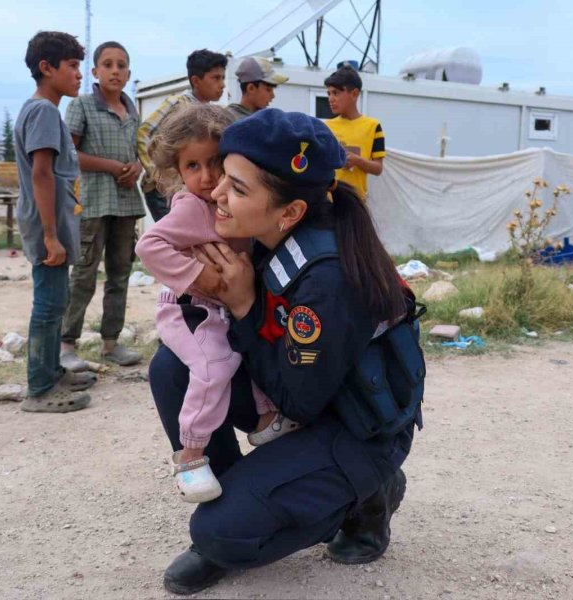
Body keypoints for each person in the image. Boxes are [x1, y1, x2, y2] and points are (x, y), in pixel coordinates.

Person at [148, 108, 424, 594]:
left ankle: (367, 499)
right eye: (218, 177)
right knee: (172, 366)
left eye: (235, 187)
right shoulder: (263, 235)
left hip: (352, 425)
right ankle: (241, 499)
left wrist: (243, 303)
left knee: (217, 534)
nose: (214, 193)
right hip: (305, 391)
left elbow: (299, 401)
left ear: (290, 211)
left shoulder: (326, 277)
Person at [135, 104, 299, 503]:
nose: (207, 177)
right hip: (191, 307)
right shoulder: (192, 207)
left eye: (216, 164)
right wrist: (201, 276)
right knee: (214, 365)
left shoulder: (236, 201)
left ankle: (265, 418)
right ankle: (191, 455)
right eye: (193, 167)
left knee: (244, 350)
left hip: (223, 307)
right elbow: (149, 245)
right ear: (177, 170)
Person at [14, 31, 97, 413]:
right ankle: (40, 388)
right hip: (47, 224)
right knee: (48, 305)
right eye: (73, 66)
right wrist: (50, 235)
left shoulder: (45, 111)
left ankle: (51, 370)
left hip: (55, 221)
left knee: (56, 299)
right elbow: (42, 174)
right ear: (47, 68)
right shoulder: (44, 111)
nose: (79, 74)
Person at [59, 41, 144, 370]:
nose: (115, 70)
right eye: (107, 64)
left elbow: (138, 152)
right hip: (93, 202)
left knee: (120, 274)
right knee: (83, 274)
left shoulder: (131, 109)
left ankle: (111, 342)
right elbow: (70, 154)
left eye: (121, 65)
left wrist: (136, 166)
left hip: (125, 203)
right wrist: (111, 166)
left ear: (128, 73)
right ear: (95, 72)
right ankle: (67, 343)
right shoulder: (81, 106)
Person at [137, 49, 228, 222]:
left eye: (223, 77)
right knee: (177, 235)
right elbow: (143, 132)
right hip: (163, 190)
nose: (222, 84)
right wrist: (156, 174)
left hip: (191, 184)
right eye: (216, 78)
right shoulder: (177, 103)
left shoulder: (211, 113)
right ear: (196, 80)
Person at [323, 66, 386, 201]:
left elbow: (378, 168)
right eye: (329, 94)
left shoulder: (373, 126)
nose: (330, 98)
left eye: (336, 93)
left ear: (354, 94)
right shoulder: (326, 126)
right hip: (328, 201)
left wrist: (357, 160)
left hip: (356, 201)